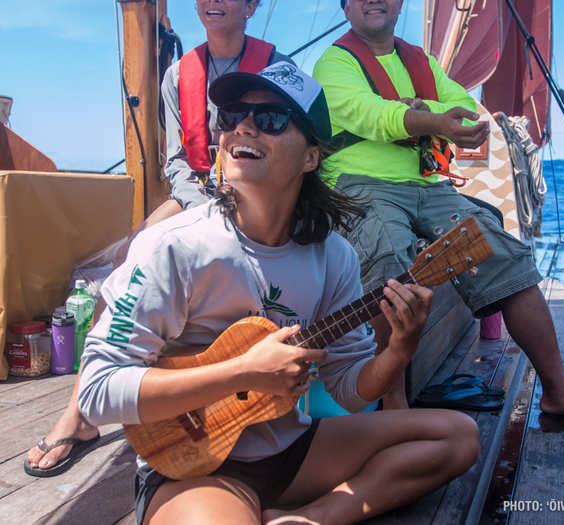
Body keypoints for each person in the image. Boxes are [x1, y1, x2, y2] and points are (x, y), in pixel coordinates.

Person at [76, 63, 479, 525]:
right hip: (191, 466)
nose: (242, 127)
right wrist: (242, 371)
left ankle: (313, 517)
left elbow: (348, 389)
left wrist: (398, 352)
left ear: (311, 156)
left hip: (294, 451)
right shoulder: (174, 246)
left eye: (269, 119)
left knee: (457, 436)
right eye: (230, 116)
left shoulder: (334, 256)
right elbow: (97, 390)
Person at [312, 0, 564, 425]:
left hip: (427, 185)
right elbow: (367, 114)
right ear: (345, 7)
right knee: (388, 259)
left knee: (505, 255)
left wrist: (453, 118)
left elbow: (459, 99)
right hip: (360, 184)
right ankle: (394, 405)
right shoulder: (335, 62)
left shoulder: (418, 60)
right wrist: (430, 118)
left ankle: (558, 392)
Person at [24, 0, 291, 477]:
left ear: (252, 6)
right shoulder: (177, 77)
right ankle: (81, 411)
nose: (213, 2)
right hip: (200, 193)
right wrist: (209, 200)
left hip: (259, 194)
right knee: (128, 259)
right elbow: (174, 162)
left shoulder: (278, 69)